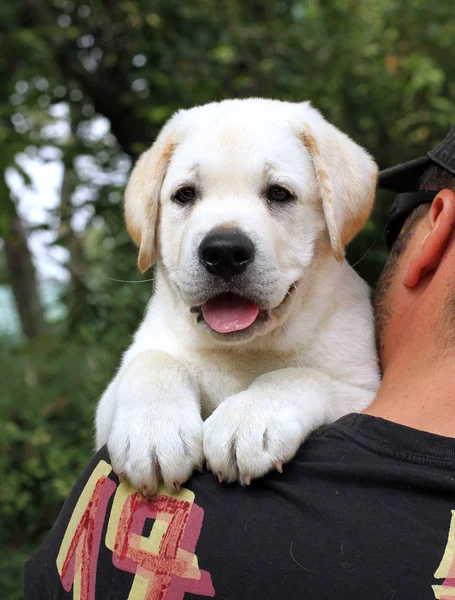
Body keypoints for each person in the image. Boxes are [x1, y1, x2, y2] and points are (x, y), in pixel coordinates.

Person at [25, 127, 455, 600]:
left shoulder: (342, 323)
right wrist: (151, 379)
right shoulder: (165, 334)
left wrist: (300, 387)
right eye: (185, 195)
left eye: (278, 194)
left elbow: (361, 402)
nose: (225, 241)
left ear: (337, 211)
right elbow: (118, 431)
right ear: (151, 216)